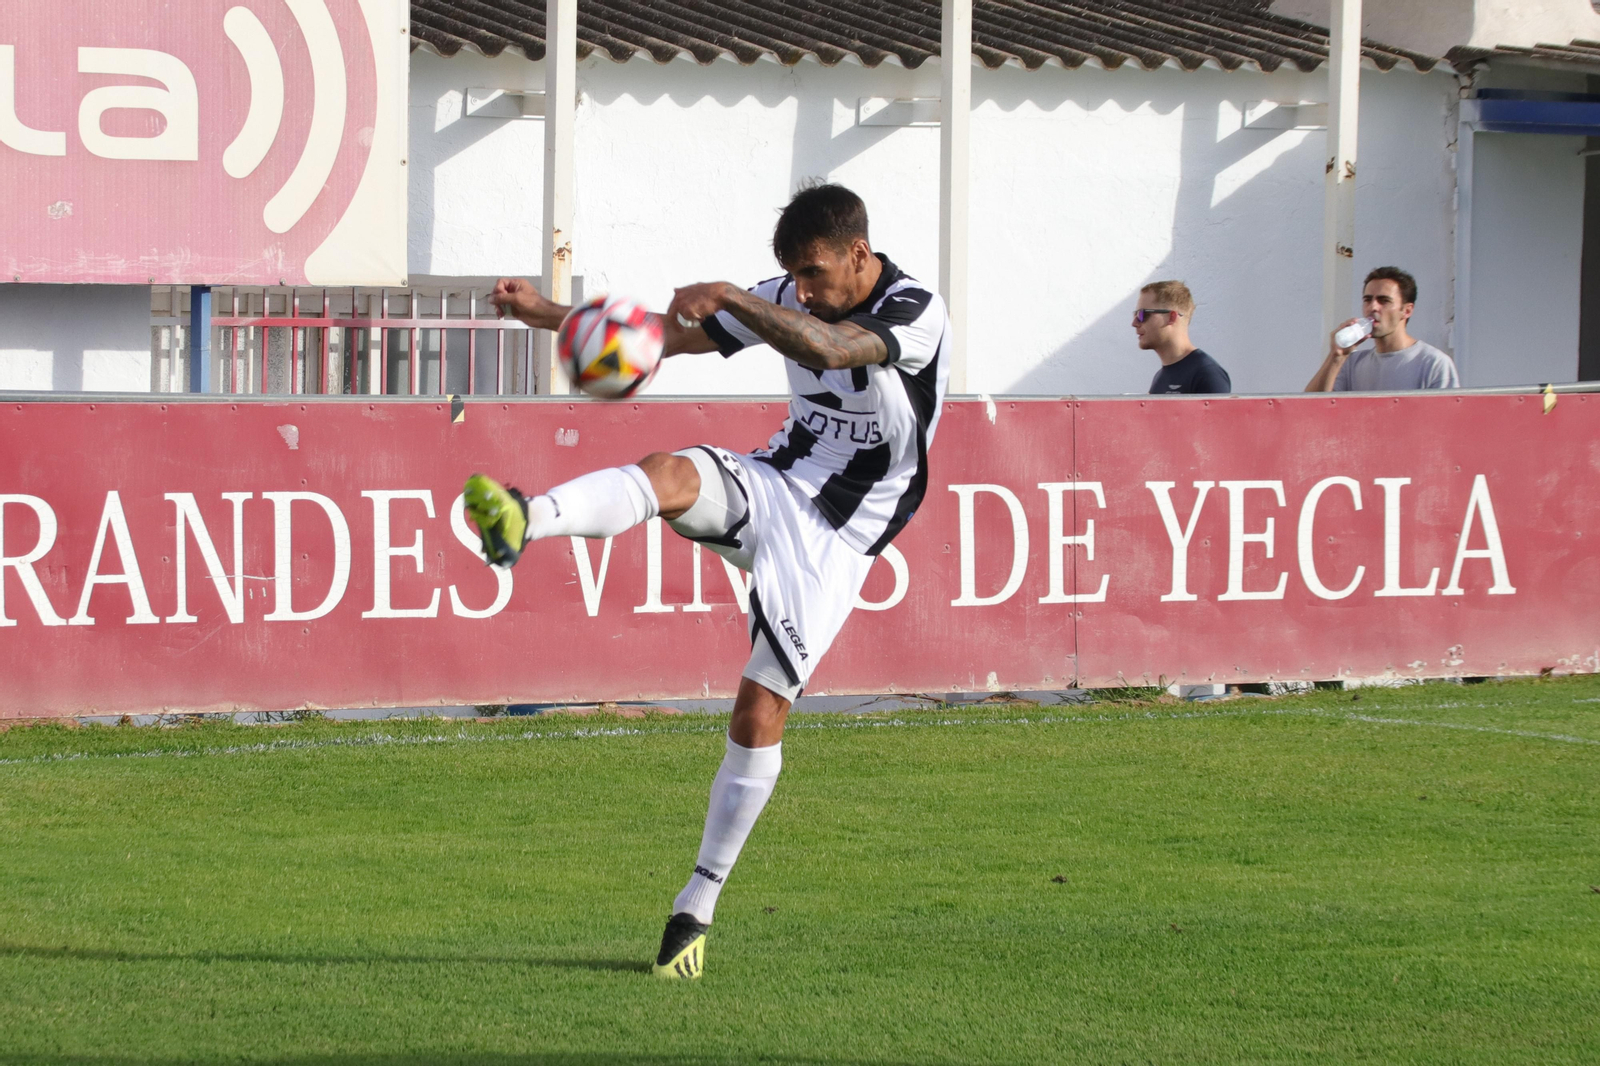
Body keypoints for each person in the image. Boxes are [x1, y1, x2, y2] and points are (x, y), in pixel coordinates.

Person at [468, 183, 950, 980]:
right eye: (791, 277)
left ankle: (697, 905)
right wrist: (555, 316)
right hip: (777, 482)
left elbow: (830, 350)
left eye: (815, 274)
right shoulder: (785, 297)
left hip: (839, 539)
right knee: (669, 472)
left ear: (859, 256)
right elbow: (668, 337)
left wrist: (731, 294)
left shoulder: (914, 311)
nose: (802, 291)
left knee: (759, 709)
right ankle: (525, 517)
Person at [1305, 266, 1459, 392]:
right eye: (1368, 300)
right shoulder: (1352, 363)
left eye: (1384, 301)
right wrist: (1335, 357)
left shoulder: (1433, 363)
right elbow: (1309, 409)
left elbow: (1446, 423)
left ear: (1406, 311)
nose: (1373, 307)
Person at [1133, 280, 1231, 394]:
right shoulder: (1160, 377)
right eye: (1135, 315)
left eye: (1142, 315)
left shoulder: (1207, 374)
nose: (1134, 322)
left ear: (1171, 317)